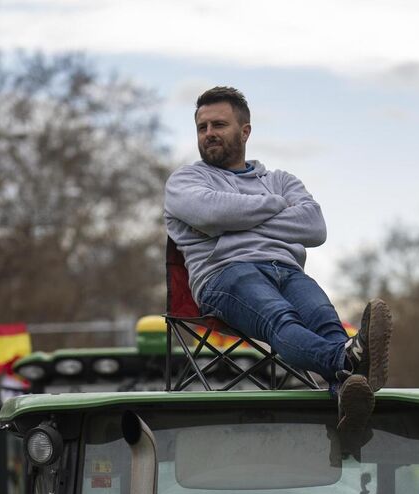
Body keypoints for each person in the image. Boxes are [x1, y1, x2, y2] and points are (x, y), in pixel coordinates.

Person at [163, 86, 392, 430]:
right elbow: (210, 214)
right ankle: (344, 360)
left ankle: (346, 392)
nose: (209, 134)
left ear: (245, 131)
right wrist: (275, 206)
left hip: (286, 270)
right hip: (225, 276)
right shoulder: (187, 180)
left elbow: (314, 227)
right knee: (281, 320)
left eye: (219, 125)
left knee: (327, 322)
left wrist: (236, 224)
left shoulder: (281, 179)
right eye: (202, 127)